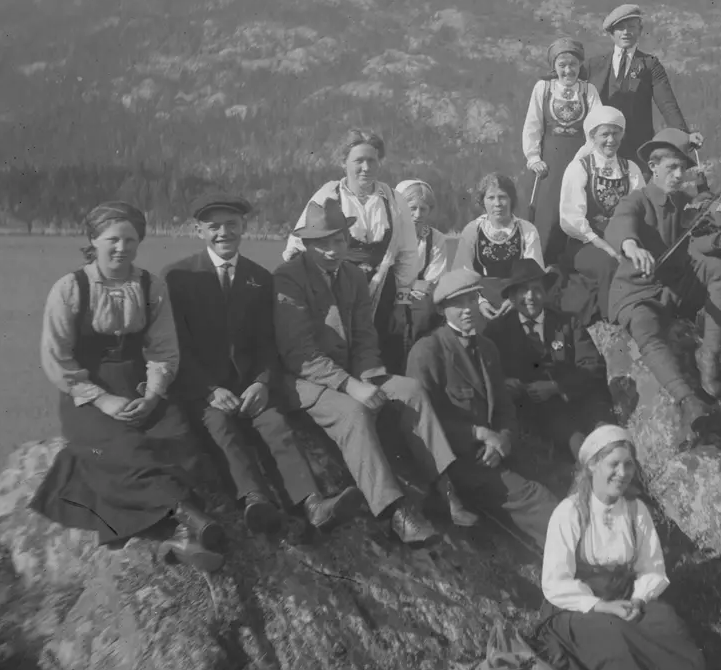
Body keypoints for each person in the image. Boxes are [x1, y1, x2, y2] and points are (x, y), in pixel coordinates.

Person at [273, 199, 479, 547]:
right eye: (321, 243)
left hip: (353, 373)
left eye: (338, 241)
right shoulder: (288, 279)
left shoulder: (352, 275)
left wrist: (368, 374)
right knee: (354, 412)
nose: (331, 250)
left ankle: (445, 490)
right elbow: (299, 353)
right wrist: (351, 386)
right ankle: (395, 513)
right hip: (305, 381)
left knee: (410, 390)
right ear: (306, 245)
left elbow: (365, 335)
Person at [33, 201, 227, 572]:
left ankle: (178, 538)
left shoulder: (150, 286)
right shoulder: (69, 288)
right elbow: (56, 357)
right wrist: (102, 400)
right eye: (113, 240)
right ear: (93, 240)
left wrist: (153, 395)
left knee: (179, 439)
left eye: (131, 240)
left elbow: (163, 348)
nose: (122, 248)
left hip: (139, 387)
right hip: (88, 393)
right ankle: (191, 520)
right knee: (123, 450)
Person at [164, 191, 364, 539]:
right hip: (205, 390)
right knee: (221, 428)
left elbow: (268, 342)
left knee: (275, 426)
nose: (223, 233)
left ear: (244, 227)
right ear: (198, 231)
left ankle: (312, 503)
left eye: (232, 225)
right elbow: (176, 347)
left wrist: (260, 382)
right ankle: (255, 500)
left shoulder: (258, 278)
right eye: (214, 227)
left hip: (249, 386)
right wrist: (209, 391)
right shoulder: (177, 277)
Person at [536, 426, 717, 670]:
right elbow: (556, 582)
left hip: (625, 598)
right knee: (612, 636)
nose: (622, 473)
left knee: (666, 622)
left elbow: (651, 566)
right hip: (577, 606)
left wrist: (640, 599)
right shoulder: (569, 512)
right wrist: (603, 606)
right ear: (593, 465)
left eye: (628, 464)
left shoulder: (636, 510)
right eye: (614, 464)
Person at [604, 128, 721, 445]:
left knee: (719, 266)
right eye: (671, 167)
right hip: (637, 290)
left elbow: (702, 244)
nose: (678, 175)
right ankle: (687, 400)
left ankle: (709, 358)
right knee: (645, 327)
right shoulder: (637, 200)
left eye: (681, 169)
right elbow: (621, 224)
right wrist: (632, 247)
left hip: (673, 290)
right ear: (653, 167)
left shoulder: (686, 204)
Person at [405, 269, 560, 551]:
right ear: (441, 310)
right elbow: (422, 423)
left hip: (494, 452)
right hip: (457, 464)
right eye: (457, 304)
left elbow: (503, 407)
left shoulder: (487, 348)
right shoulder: (427, 352)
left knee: (555, 478)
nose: (467, 310)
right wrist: (478, 433)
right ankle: (593, 566)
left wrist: (503, 439)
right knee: (535, 498)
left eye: (471, 300)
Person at [282, 130, 424, 374]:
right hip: (337, 289)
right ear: (343, 163)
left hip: (383, 291)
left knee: (379, 350)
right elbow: (296, 247)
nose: (366, 167)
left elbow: (408, 253)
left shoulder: (393, 200)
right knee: (337, 347)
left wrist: (401, 302)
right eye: (359, 161)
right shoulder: (328, 195)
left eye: (372, 160)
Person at [484, 259, 617, 463]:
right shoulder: (497, 331)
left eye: (536, 289)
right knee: (577, 442)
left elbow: (593, 366)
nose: (530, 297)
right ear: (511, 296)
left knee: (607, 438)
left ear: (545, 293)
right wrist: (504, 382)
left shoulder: (567, 323)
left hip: (577, 397)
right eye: (523, 291)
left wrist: (556, 386)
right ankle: (595, 480)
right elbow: (485, 371)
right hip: (536, 411)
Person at [556, 105, 646, 326]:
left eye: (616, 133)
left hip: (622, 240)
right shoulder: (579, 168)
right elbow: (571, 219)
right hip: (585, 243)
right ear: (592, 136)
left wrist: (627, 243)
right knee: (609, 266)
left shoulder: (630, 168)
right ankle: (612, 322)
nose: (610, 140)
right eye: (604, 134)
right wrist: (604, 245)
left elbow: (640, 209)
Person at [521, 37, 604, 266]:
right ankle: (539, 268)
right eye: (562, 65)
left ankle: (571, 272)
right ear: (554, 67)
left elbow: (596, 128)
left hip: (580, 160)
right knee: (548, 216)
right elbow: (533, 125)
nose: (568, 70)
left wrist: (584, 158)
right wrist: (533, 157)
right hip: (550, 164)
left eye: (573, 65)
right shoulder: (543, 88)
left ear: (580, 66)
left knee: (578, 212)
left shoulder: (589, 91)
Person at [586, 4, 691, 173]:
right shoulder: (593, 65)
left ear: (640, 30)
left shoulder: (650, 65)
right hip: (601, 146)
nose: (626, 32)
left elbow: (667, 104)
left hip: (638, 149)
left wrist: (683, 135)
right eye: (620, 28)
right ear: (612, 33)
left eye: (631, 27)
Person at [452, 172, 545, 322]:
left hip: (519, 295)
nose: (497, 203)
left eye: (502, 197)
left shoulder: (527, 230)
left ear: (511, 199)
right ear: (482, 201)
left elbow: (535, 273)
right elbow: (461, 273)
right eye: (491, 198)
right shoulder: (472, 230)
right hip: (481, 296)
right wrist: (480, 302)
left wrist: (515, 300)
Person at [395, 179, 449, 345]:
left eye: (423, 209)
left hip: (420, 297)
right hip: (391, 293)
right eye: (412, 208)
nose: (418, 215)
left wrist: (414, 288)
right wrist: (409, 287)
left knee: (425, 312)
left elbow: (433, 279)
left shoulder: (435, 238)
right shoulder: (392, 234)